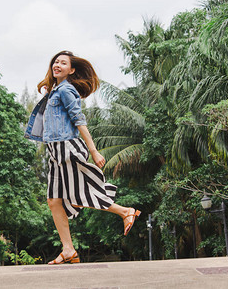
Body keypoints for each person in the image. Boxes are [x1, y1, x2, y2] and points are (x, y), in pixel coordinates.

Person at [25, 50, 141, 265]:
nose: (57, 65)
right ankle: (68, 249)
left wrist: (94, 150)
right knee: (54, 201)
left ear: (72, 69)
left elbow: (79, 120)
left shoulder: (67, 90)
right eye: (55, 62)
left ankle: (125, 211)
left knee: (79, 194)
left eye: (63, 63)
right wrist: (47, 86)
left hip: (67, 148)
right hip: (55, 152)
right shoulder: (56, 89)